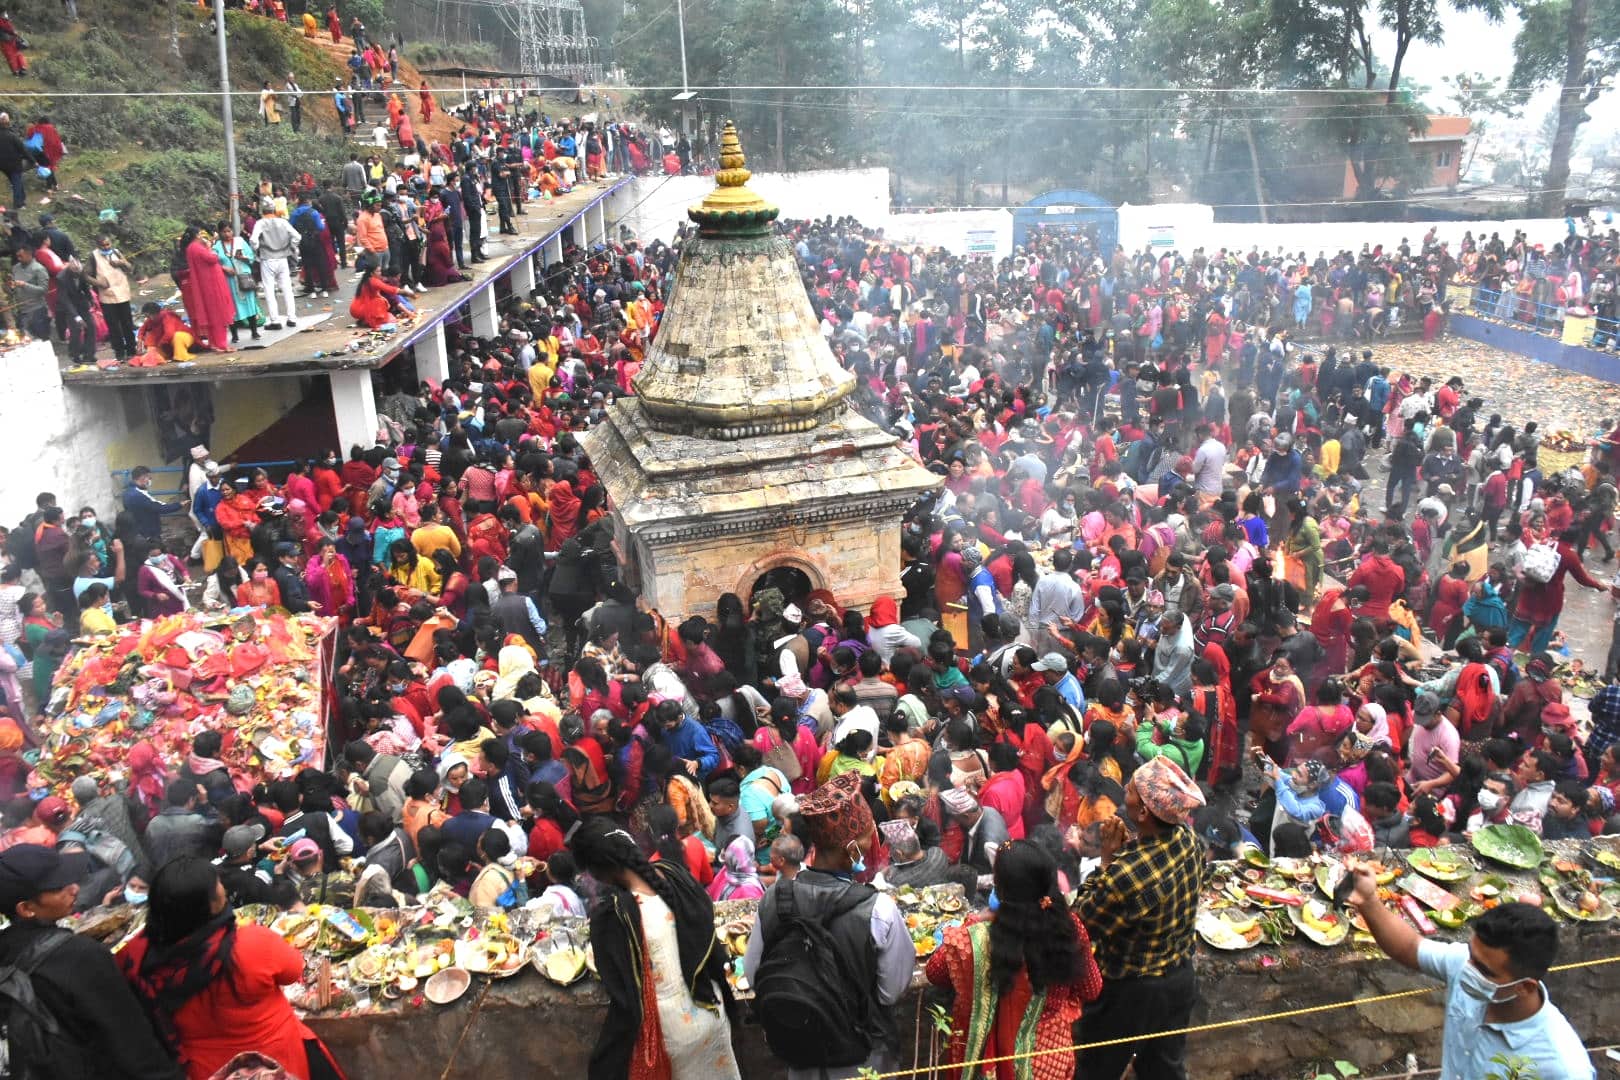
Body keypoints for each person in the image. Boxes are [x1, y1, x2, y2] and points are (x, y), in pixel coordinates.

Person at [742, 771, 912, 1079]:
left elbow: (754, 976)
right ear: (852, 850)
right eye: (865, 839)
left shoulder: (774, 899)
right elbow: (891, 991)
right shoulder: (878, 910)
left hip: (800, 1052)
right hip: (861, 1056)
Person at [118, 856, 347, 1080]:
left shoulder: (135, 957)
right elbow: (294, 971)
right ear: (211, 904)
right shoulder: (251, 943)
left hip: (205, 1069)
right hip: (274, 1061)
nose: (223, 889)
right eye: (218, 885)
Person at [1345, 875, 1593, 1080]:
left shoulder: (1563, 1067)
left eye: (1484, 970)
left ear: (1524, 987)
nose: (1467, 968)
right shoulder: (1468, 964)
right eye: (1471, 953)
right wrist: (1368, 901)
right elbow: (1410, 947)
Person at [571, 818, 741, 1080]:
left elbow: (621, 990)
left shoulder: (613, 913)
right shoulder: (675, 874)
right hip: (712, 1014)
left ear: (597, 870)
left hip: (670, 1033)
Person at [1073, 754, 1208, 1080]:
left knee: (1097, 1068)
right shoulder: (1188, 839)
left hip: (1131, 991)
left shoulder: (1125, 875)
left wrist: (1106, 859)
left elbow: (1084, 920)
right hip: (1179, 977)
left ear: (1145, 812)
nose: (1124, 791)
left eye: (1130, 790)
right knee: (1163, 1067)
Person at [0, 844, 183, 1080]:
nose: (74, 888)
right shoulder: (79, 957)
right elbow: (131, 1040)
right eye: (58, 887)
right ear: (26, 909)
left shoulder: (7, 949)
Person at [925, 839, 1102, 1080]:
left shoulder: (974, 940)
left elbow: (934, 972)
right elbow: (1091, 989)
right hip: (1050, 1059)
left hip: (990, 1060)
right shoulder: (1070, 928)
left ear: (999, 889)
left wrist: (973, 921)